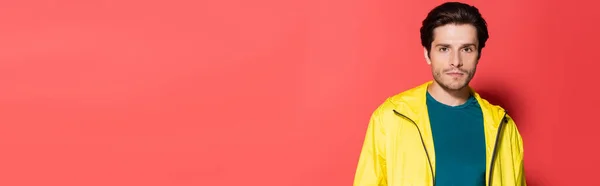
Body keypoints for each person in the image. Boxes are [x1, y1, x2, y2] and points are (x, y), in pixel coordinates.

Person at [353, 2, 526, 186]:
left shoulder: (503, 126)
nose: (456, 61)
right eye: (444, 49)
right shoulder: (391, 117)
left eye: (466, 49)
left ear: (478, 54)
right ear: (428, 54)